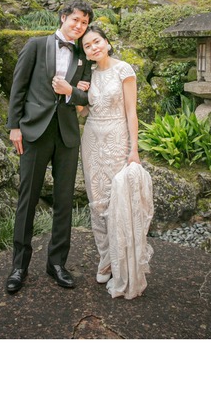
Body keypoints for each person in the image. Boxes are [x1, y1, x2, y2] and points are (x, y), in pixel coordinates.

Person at [4, 0, 94, 294]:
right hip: (34, 131)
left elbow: (86, 97)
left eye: (84, 23)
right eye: (76, 19)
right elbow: (18, 87)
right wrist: (14, 126)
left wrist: (71, 92)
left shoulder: (84, 55)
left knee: (64, 201)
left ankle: (56, 264)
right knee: (27, 198)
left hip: (67, 135)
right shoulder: (36, 45)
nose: (79, 26)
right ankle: (19, 266)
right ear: (63, 17)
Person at [75, 24, 154, 299]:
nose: (93, 47)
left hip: (117, 139)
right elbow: (83, 112)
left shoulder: (124, 70)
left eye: (97, 42)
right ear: (85, 52)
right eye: (87, 46)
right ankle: (105, 258)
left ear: (107, 43)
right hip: (91, 139)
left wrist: (134, 149)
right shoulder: (88, 74)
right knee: (96, 201)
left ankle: (118, 262)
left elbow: (132, 112)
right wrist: (76, 94)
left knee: (116, 201)